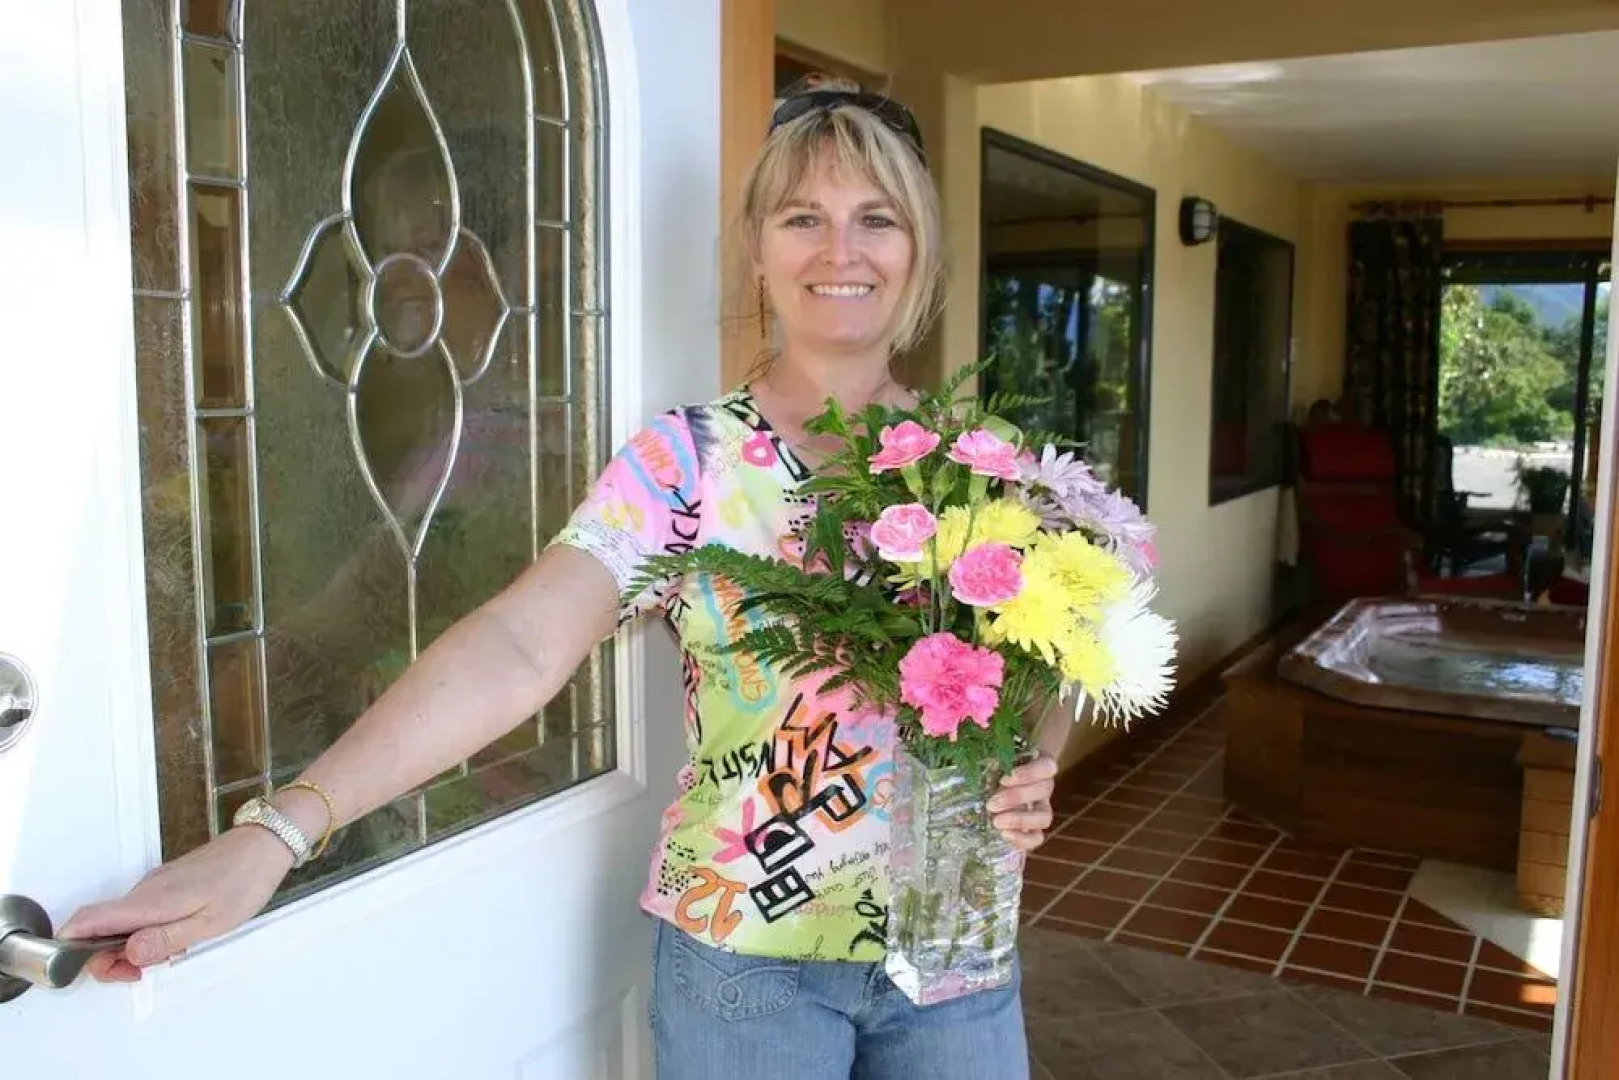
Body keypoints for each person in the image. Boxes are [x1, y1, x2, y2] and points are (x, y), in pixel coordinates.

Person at [62, 79, 1066, 1079]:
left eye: (874, 218)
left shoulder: (987, 462)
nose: (838, 250)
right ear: (756, 247)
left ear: (917, 248)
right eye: (802, 215)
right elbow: (518, 645)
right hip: (750, 963)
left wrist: (1037, 759)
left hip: (955, 946)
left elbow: (1061, 656)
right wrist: (281, 830)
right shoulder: (687, 465)